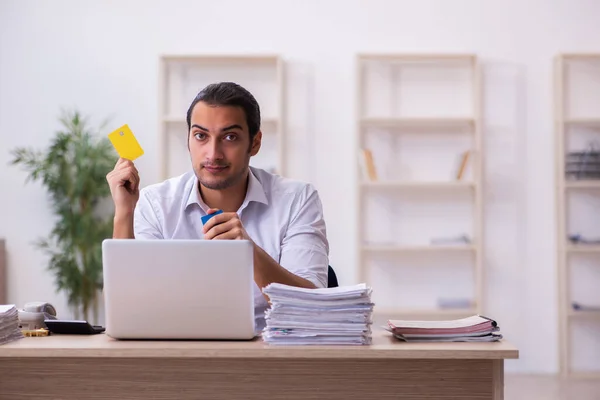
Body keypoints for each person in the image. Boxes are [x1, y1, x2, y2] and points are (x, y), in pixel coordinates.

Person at [105, 81, 329, 329]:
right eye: (201, 136)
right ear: (189, 140)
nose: (213, 154)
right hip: (178, 354)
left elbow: (313, 309)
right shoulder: (156, 203)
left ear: (254, 143)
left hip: (270, 356)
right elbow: (128, 309)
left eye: (230, 137)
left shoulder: (297, 199)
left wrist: (249, 251)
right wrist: (125, 212)